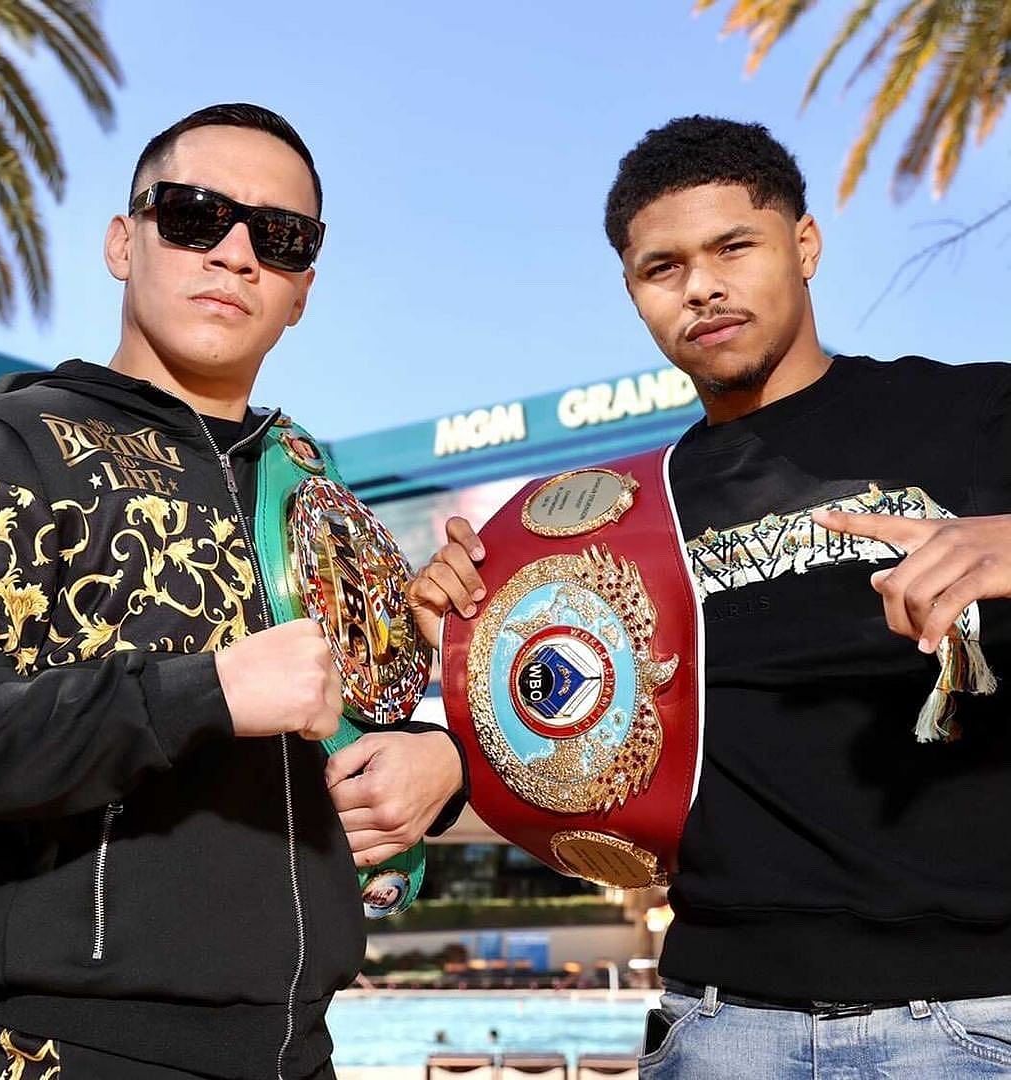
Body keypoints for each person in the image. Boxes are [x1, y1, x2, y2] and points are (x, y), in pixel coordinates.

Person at [409, 115, 1011, 1078]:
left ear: (804, 245)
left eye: (735, 246)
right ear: (635, 294)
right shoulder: (613, 517)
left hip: (969, 1020)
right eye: (663, 268)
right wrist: (470, 642)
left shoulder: (976, 416)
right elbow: (572, 747)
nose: (702, 287)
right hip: (721, 1021)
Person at [0, 102, 464, 1080]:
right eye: (191, 214)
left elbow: (358, 742)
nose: (234, 252)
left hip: (303, 1056)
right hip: (82, 1054)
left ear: (303, 287)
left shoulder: (313, 486)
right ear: (121, 242)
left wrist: (440, 760)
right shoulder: (21, 442)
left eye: (281, 236)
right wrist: (204, 691)